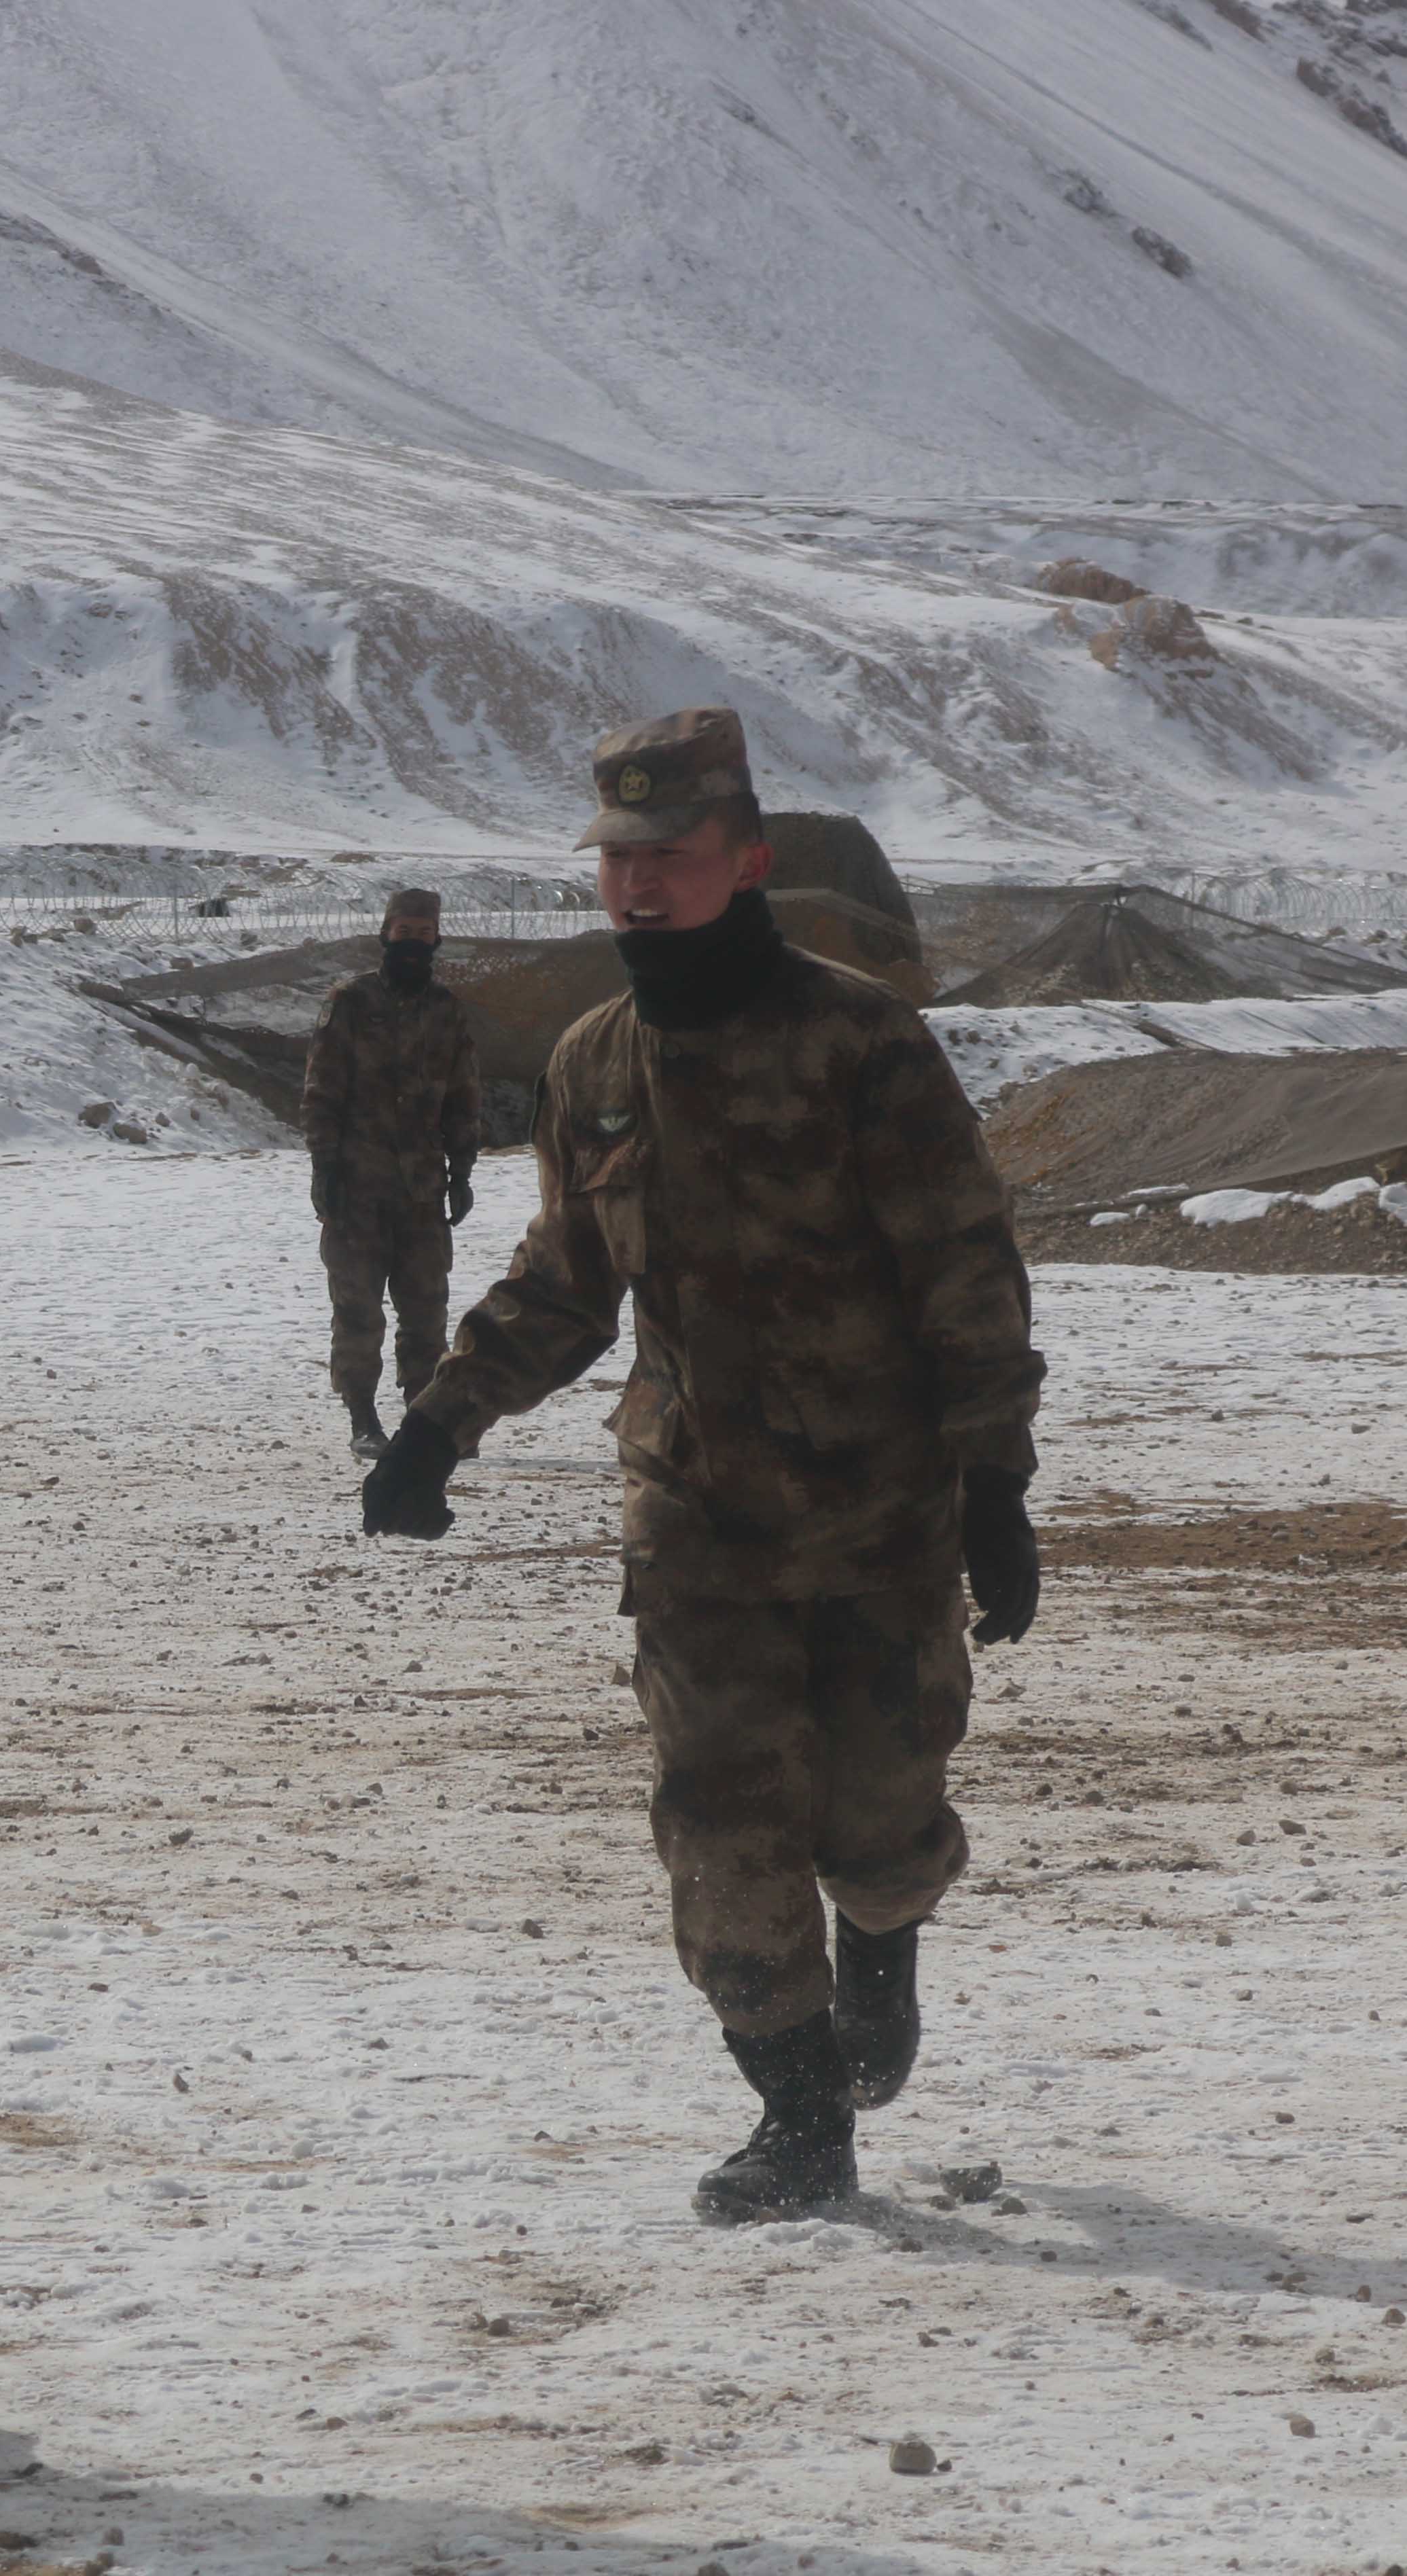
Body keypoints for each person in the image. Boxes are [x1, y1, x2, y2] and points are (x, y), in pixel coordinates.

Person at [359, 709, 1044, 2225]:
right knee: (720, 1814)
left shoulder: (863, 1038)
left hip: (880, 1501)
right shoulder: (594, 1060)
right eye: (618, 859)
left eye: (670, 855)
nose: (641, 884)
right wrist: (441, 1416)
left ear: (745, 859)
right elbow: (565, 1275)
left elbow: (962, 1262)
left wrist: (995, 1480)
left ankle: (883, 1939)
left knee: (878, 1818)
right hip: (697, 1514)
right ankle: (799, 2116)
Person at [303, 887, 482, 1459]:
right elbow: (321, 1091)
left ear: (437, 938)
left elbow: (462, 1095)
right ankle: (362, 1417)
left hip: (422, 1188)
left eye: (423, 933)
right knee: (357, 1306)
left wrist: (462, 1169)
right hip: (357, 1186)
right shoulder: (351, 1002)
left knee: (426, 1306)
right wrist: (323, 1166)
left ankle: (422, 1419)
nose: (412, 942)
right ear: (386, 934)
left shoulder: (446, 1009)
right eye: (403, 932)